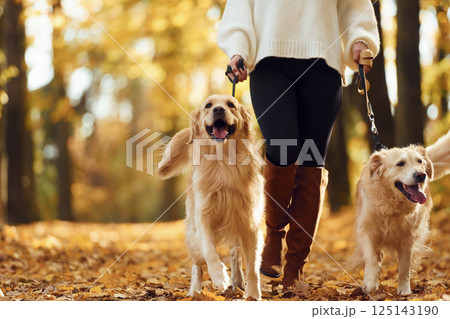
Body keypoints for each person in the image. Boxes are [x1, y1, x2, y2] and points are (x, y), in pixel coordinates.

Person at [217, 0, 380, 291]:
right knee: (282, 149)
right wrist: (238, 50)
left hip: (323, 63)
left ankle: (295, 266)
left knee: (312, 160)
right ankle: (274, 232)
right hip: (268, 63)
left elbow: (356, 6)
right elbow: (241, 8)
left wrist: (360, 39)